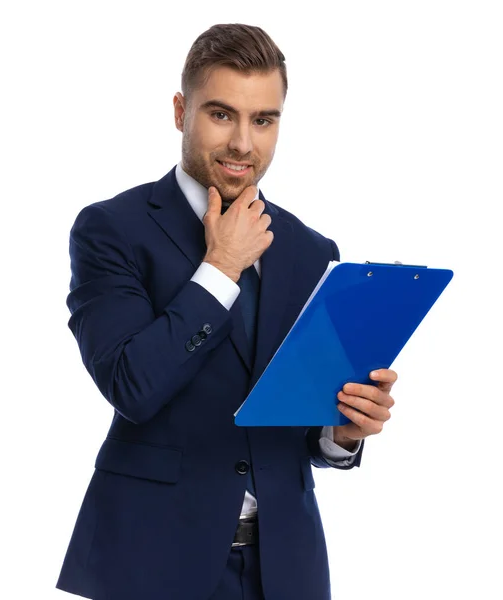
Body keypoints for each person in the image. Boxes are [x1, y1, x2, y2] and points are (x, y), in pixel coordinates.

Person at [56, 23, 397, 600]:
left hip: (286, 568)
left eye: (263, 120)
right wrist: (220, 269)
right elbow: (131, 384)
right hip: (151, 561)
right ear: (179, 111)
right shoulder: (111, 229)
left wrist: (340, 431)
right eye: (221, 115)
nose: (244, 142)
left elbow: (298, 424)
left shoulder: (313, 251)